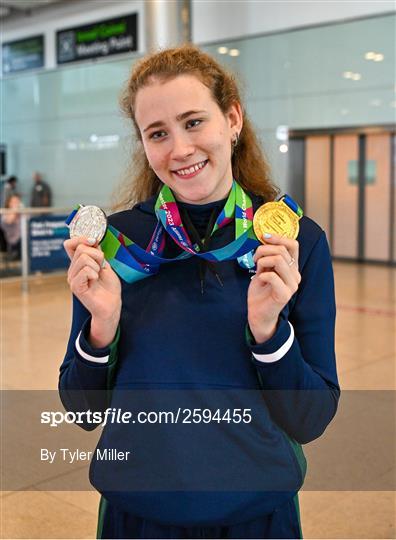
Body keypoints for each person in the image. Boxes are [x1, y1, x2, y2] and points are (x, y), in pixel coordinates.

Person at [60, 45, 339, 539]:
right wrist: (101, 330)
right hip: (138, 518)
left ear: (232, 119)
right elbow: (82, 412)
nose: (180, 150)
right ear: (143, 144)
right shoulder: (114, 246)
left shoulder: (293, 242)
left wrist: (269, 334)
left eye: (193, 122)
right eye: (158, 133)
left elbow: (311, 418)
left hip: (255, 517)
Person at [1, 193, 23, 260]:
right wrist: (15, 210)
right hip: (15, 244)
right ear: (9, 203)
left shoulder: (21, 214)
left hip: (26, 241)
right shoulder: (4, 214)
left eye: (18, 202)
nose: (16, 204)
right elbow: (9, 220)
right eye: (14, 202)